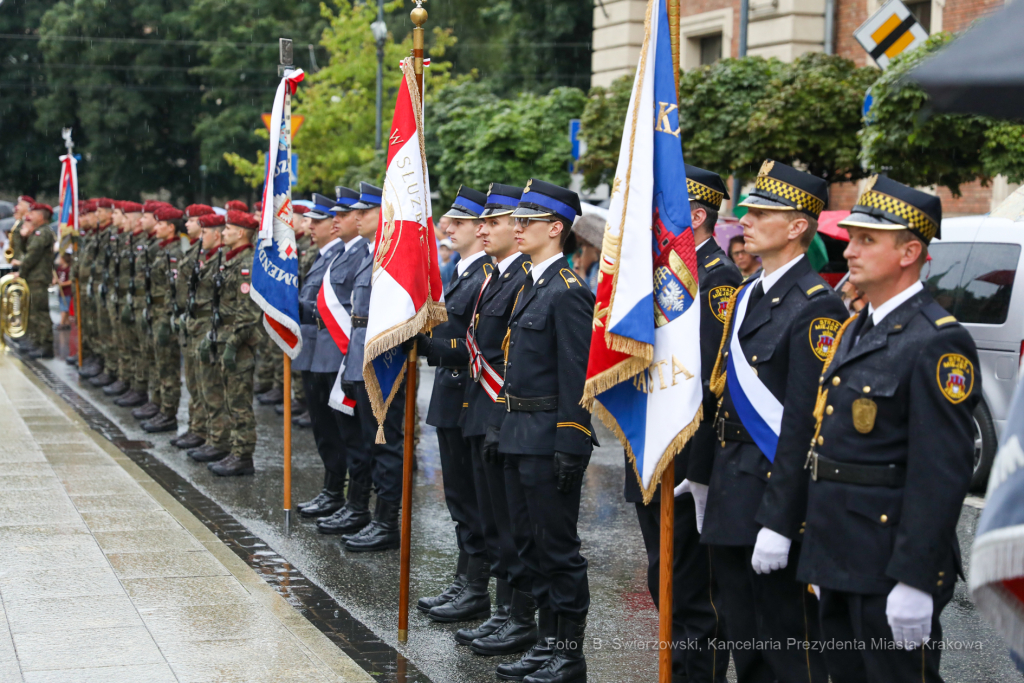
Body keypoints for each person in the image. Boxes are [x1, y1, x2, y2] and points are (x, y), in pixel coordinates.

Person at [798, 176, 979, 682]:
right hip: (839, 552)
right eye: (851, 238)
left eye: (866, 240)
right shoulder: (857, 326)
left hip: (887, 562)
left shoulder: (937, 341)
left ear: (909, 252)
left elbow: (941, 471)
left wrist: (915, 579)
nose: (849, 250)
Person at [699, 160, 847, 683]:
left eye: (762, 213)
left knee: (788, 650)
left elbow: (803, 426)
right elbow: (722, 396)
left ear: (797, 226)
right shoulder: (746, 294)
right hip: (732, 489)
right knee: (746, 643)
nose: (745, 221)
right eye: (748, 212)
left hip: (771, 498)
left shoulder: (817, 307)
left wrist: (782, 522)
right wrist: (702, 478)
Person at [628, 165, 739, 683]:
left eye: (662, 210)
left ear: (694, 216)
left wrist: (698, 468)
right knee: (663, 579)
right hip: (651, 447)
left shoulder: (717, 278)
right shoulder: (658, 272)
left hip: (687, 453)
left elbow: (712, 381)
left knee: (695, 594)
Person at [487, 179, 596, 683]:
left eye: (526, 221)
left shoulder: (569, 292)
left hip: (548, 438)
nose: (516, 227)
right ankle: (547, 643)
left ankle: (568, 656)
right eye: (516, 220)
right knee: (529, 544)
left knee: (557, 549)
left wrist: (571, 441)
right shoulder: (533, 285)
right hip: (518, 433)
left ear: (555, 228)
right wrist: (500, 426)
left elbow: (577, 376)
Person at [454, 183, 539, 656]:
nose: (484, 230)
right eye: (482, 222)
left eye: (494, 222)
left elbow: (513, 359)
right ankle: (502, 611)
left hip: (503, 412)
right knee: (491, 519)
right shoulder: (498, 277)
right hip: (480, 407)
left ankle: (516, 615)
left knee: (511, 525)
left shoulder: (524, 278)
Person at [413, 185, 493, 620]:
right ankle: (464, 580)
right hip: (449, 394)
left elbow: (478, 344)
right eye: (450, 220)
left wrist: (428, 346)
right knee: (458, 498)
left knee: (473, 500)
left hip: (468, 395)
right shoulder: (459, 271)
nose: (448, 227)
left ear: (481, 229)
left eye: (459, 222)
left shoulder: (484, 276)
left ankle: (476, 587)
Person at [337, 183, 408, 553]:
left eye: (366, 211)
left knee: (385, 444)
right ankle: (369, 514)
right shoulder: (370, 253)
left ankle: (386, 522)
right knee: (369, 442)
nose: (357, 216)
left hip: (383, 361)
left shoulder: (391, 254)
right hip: (361, 358)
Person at [294, 187, 363, 521]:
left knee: (340, 433)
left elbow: (343, 307)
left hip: (335, 351)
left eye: (318, 220)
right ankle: (332, 490)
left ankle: (343, 496)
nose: (312, 225)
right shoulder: (330, 255)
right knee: (324, 430)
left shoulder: (349, 253)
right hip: (315, 350)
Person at [204, 209, 263, 476]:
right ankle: (234, 450)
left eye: (228, 229)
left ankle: (243, 455)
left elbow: (247, 313)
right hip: (224, 337)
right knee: (229, 397)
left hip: (239, 344)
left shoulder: (246, 263)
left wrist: (232, 344)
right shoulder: (230, 260)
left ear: (240, 233)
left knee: (239, 400)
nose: (223, 233)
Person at [186, 212, 233, 464]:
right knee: (200, 384)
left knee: (215, 389)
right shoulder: (207, 257)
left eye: (205, 232)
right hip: (201, 325)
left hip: (215, 328)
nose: (200, 237)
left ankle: (219, 440)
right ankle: (206, 434)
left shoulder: (223, 260)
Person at [171, 204, 216, 449]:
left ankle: (205, 430)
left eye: (191, 220)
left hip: (203, 322)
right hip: (191, 320)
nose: (186, 224)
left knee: (205, 382)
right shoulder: (195, 250)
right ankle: (196, 427)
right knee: (193, 380)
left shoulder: (208, 253)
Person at [140, 205, 187, 434]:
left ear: (171, 228)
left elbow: (175, 289)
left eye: (160, 224)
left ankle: (168, 413)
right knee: (158, 361)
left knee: (168, 365)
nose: (156, 227)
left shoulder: (175, 253)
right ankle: (159, 403)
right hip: (156, 311)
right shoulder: (161, 249)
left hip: (165, 314)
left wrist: (170, 318)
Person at [12, 202, 56, 358]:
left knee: (40, 312)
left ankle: (45, 344)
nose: (30, 216)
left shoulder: (42, 233)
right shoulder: (37, 232)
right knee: (32, 311)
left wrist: (21, 272)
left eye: (33, 213)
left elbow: (32, 255)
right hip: (34, 277)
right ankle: (36, 341)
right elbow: (24, 251)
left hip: (38, 277)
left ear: (41, 216)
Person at [88, 198, 120, 388]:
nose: (96, 215)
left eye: (100, 211)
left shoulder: (113, 235)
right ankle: (103, 363)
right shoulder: (102, 233)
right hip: (102, 286)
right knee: (99, 328)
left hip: (115, 290)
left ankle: (113, 370)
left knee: (112, 334)